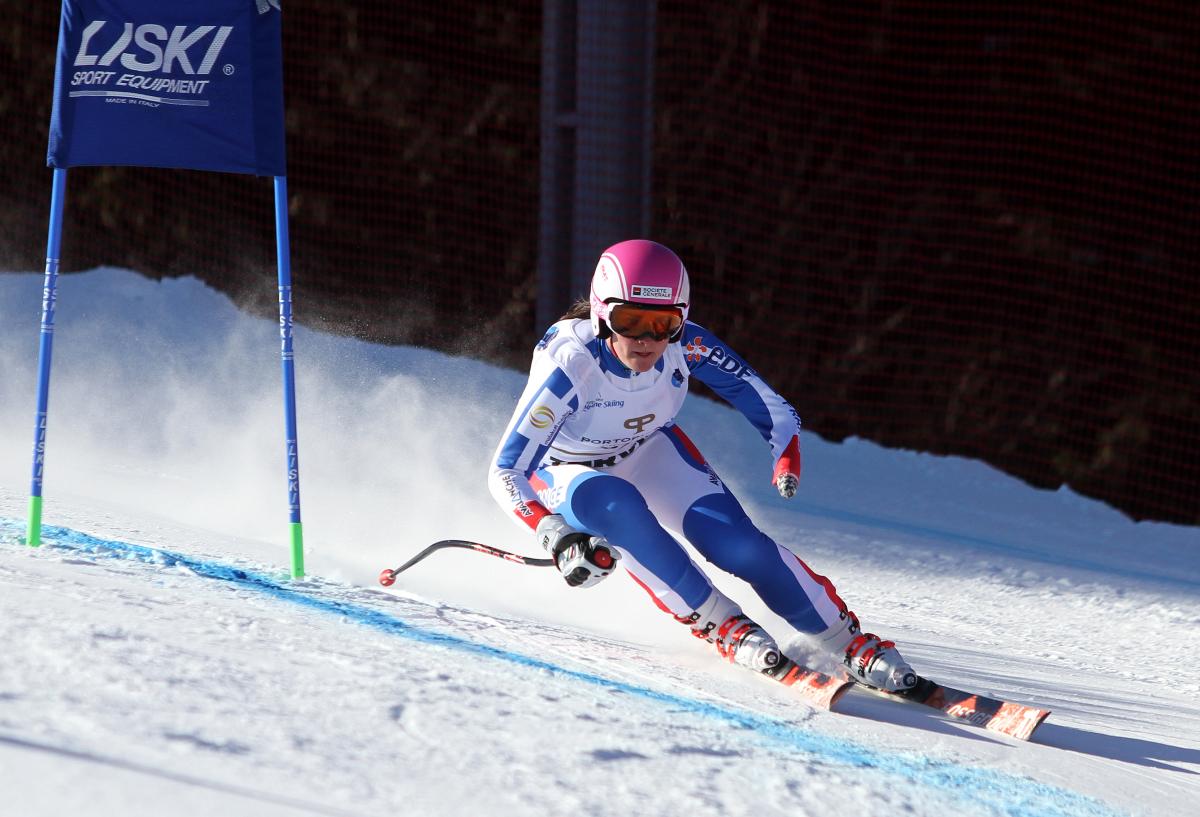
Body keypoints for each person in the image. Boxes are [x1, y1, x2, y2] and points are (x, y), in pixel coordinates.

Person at [487, 239, 917, 692]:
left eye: (664, 323)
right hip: (567, 471)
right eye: (629, 321)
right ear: (600, 314)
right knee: (616, 505)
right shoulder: (572, 363)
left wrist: (785, 451)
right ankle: (721, 623)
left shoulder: (685, 345)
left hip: (647, 449)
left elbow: (764, 401)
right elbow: (507, 470)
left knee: (739, 545)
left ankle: (848, 642)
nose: (647, 339)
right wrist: (555, 532)